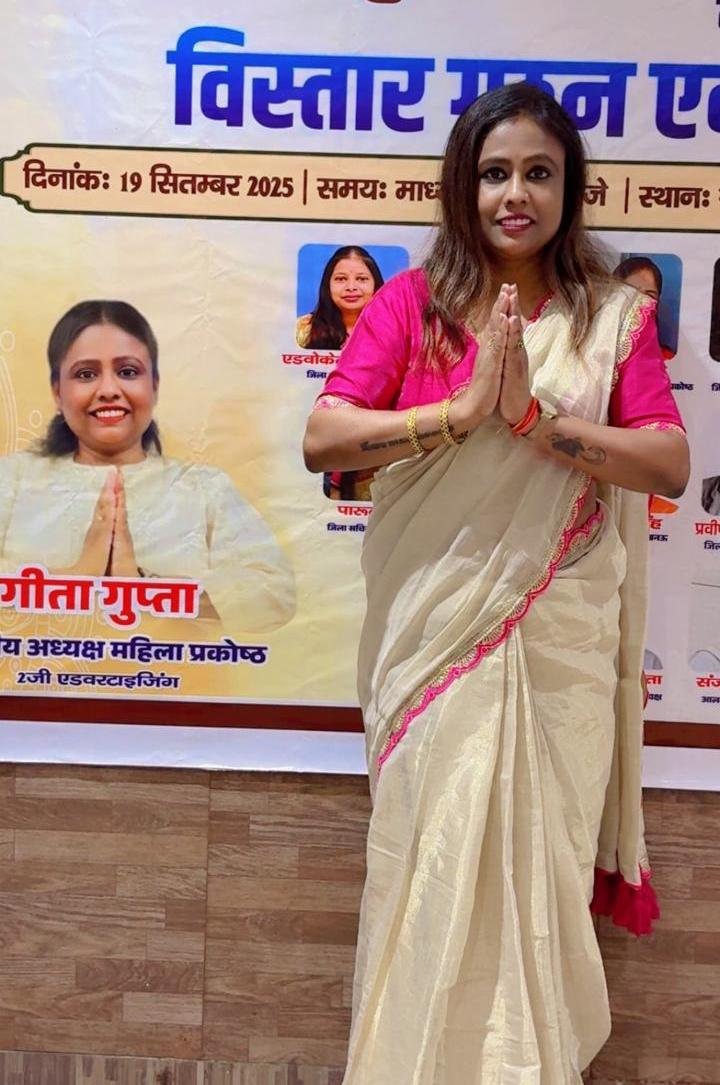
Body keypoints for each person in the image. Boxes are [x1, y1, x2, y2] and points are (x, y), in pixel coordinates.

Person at [303, 83, 689, 1083]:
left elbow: (667, 463)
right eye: (495, 173)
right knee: (426, 867)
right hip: (433, 637)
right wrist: (461, 411)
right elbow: (326, 437)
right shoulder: (412, 304)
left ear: (570, 187)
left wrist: (534, 422)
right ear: (462, 186)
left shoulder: (615, 316)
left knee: (537, 886)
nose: (516, 194)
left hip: (557, 650)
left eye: (539, 173)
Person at [0, 300, 295, 636]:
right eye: (85, 374)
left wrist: (144, 587)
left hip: (170, 668)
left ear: (154, 385)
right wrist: (75, 578)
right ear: (57, 391)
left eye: (128, 372)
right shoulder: (13, 479)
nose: (108, 391)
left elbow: (276, 595)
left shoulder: (202, 488)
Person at [297, 246, 386, 501]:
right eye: (341, 279)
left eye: (361, 279)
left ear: (376, 284)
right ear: (328, 285)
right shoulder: (304, 330)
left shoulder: (392, 333)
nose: (351, 287)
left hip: (369, 449)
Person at [613, 255, 674, 359]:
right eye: (632, 293)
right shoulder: (592, 356)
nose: (640, 302)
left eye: (649, 296)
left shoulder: (667, 358)